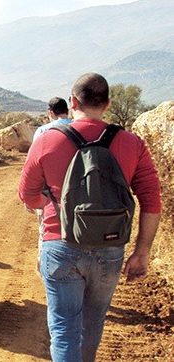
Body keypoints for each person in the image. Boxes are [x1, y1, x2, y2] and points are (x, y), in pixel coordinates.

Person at [18, 73, 161, 362]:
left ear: (72, 102)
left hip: (60, 246)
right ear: (108, 104)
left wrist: (47, 204)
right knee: (93, 324)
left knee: (64, 329)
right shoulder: (133, 143)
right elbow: (151, 201)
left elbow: (27, 194)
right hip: (110, 248)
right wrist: (141, 252)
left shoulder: (47, 140)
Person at [32, 97, 73, 269]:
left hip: (50, 195)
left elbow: (34, 165)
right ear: (68, 110)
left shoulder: (43, 131)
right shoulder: (77, 126)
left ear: (50, 113)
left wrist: (32, 197)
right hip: (79, 192)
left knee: (47, 231)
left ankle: (48, 269)